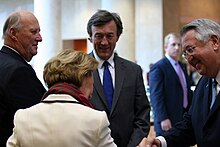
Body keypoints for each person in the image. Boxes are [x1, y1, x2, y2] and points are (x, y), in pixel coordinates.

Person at [6, 49, 117, 147]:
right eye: (92, 76)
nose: (93, 86)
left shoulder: (23, 117)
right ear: (84, 77)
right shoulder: (96, 120)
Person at [139, 18, 220, 147]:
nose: (189, 59)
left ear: (214, 42)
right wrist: (160, 142)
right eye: (185, 53)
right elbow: (191, 125)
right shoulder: (203, 84)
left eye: (191, 50)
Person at [87, 9, 151, 147]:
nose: (104, 42)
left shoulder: (133, 71)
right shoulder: (78, 70)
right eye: (99, 36)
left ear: (117, 37)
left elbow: (142, 115)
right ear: (90, 37)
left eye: (109, 36)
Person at [0, 10, 46, 146]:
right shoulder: (18, 72)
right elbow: (39, 119)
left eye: (39, 31)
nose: (40, 38)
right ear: (13, 33)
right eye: (33, 32)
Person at [149, 32, 193, 145]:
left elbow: (186, 90)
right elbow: (156, 96)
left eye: (179, 45)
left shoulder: (183, 66)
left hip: (183, 118)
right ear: (165, 47)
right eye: (173, 44)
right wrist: (163, 118)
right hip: (167, 120)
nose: (177, 48)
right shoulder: (158, 67)